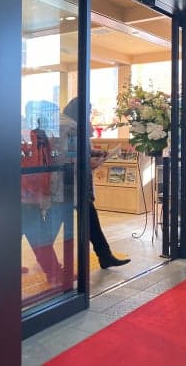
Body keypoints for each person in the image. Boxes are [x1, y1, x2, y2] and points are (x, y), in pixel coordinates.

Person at [62, 98, 130, 269]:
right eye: (87, 111)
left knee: (90, 220)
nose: (89, 115)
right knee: (54, 227)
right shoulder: (70, 127)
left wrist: (94, 153)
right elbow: (66, 155)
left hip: (77, 183)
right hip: (70, 184)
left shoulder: (73, 125)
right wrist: (87, 162)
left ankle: (105, 255)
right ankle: (53, 267)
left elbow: (78, 150)